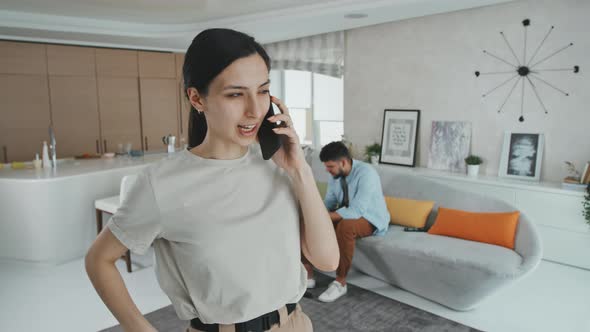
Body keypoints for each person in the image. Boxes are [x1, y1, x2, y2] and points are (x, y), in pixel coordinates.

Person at [85, 28, 339, 332]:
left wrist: (300, 170)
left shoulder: (279, 166)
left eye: (262, 91)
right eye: (235, 94)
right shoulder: (162, 183)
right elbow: (99, 260)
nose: (255, 110)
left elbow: (327, 261)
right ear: (197, 98)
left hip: (294, 324)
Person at [304, 141, 390, 303]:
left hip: (370, 218)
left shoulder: (367, 174)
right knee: (306, 220)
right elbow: (329, 201)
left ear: (343, 162)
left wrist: (324, 218)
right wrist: (314, 214)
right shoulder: (336, 176)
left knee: (345, 226)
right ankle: (307, 272)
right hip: (347, 213)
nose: (327, 170)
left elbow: (356, 211)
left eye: (330, 166)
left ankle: (340, 282)